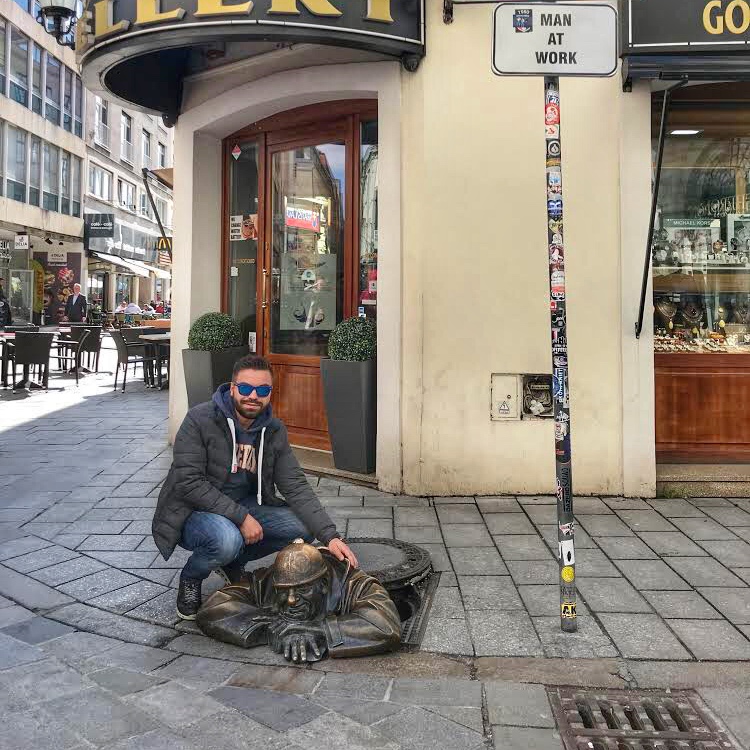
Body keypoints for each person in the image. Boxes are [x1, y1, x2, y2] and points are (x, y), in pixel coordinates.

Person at [152, 354, 358, 620]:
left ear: (270, 393)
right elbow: (188, 482)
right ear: (233, 388)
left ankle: (233, 562)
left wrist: (330, 537)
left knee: (303, 528)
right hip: (194, 510)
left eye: (262, 390)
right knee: (226, 540)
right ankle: (192, 576)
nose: (253, 396)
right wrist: (241, 517)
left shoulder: (273, 430)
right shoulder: (199, 419)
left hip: (242, 504)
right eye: (246, 388)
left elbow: (296, 486)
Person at [197, 539, 401, 662]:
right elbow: (213, 607)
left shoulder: (355, 585)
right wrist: (272, 627)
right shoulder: (268, 580)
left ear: (324, 584)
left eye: (303, 590)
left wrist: (319, 630)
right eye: (284, 591)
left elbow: (385, 626)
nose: (292, 600)